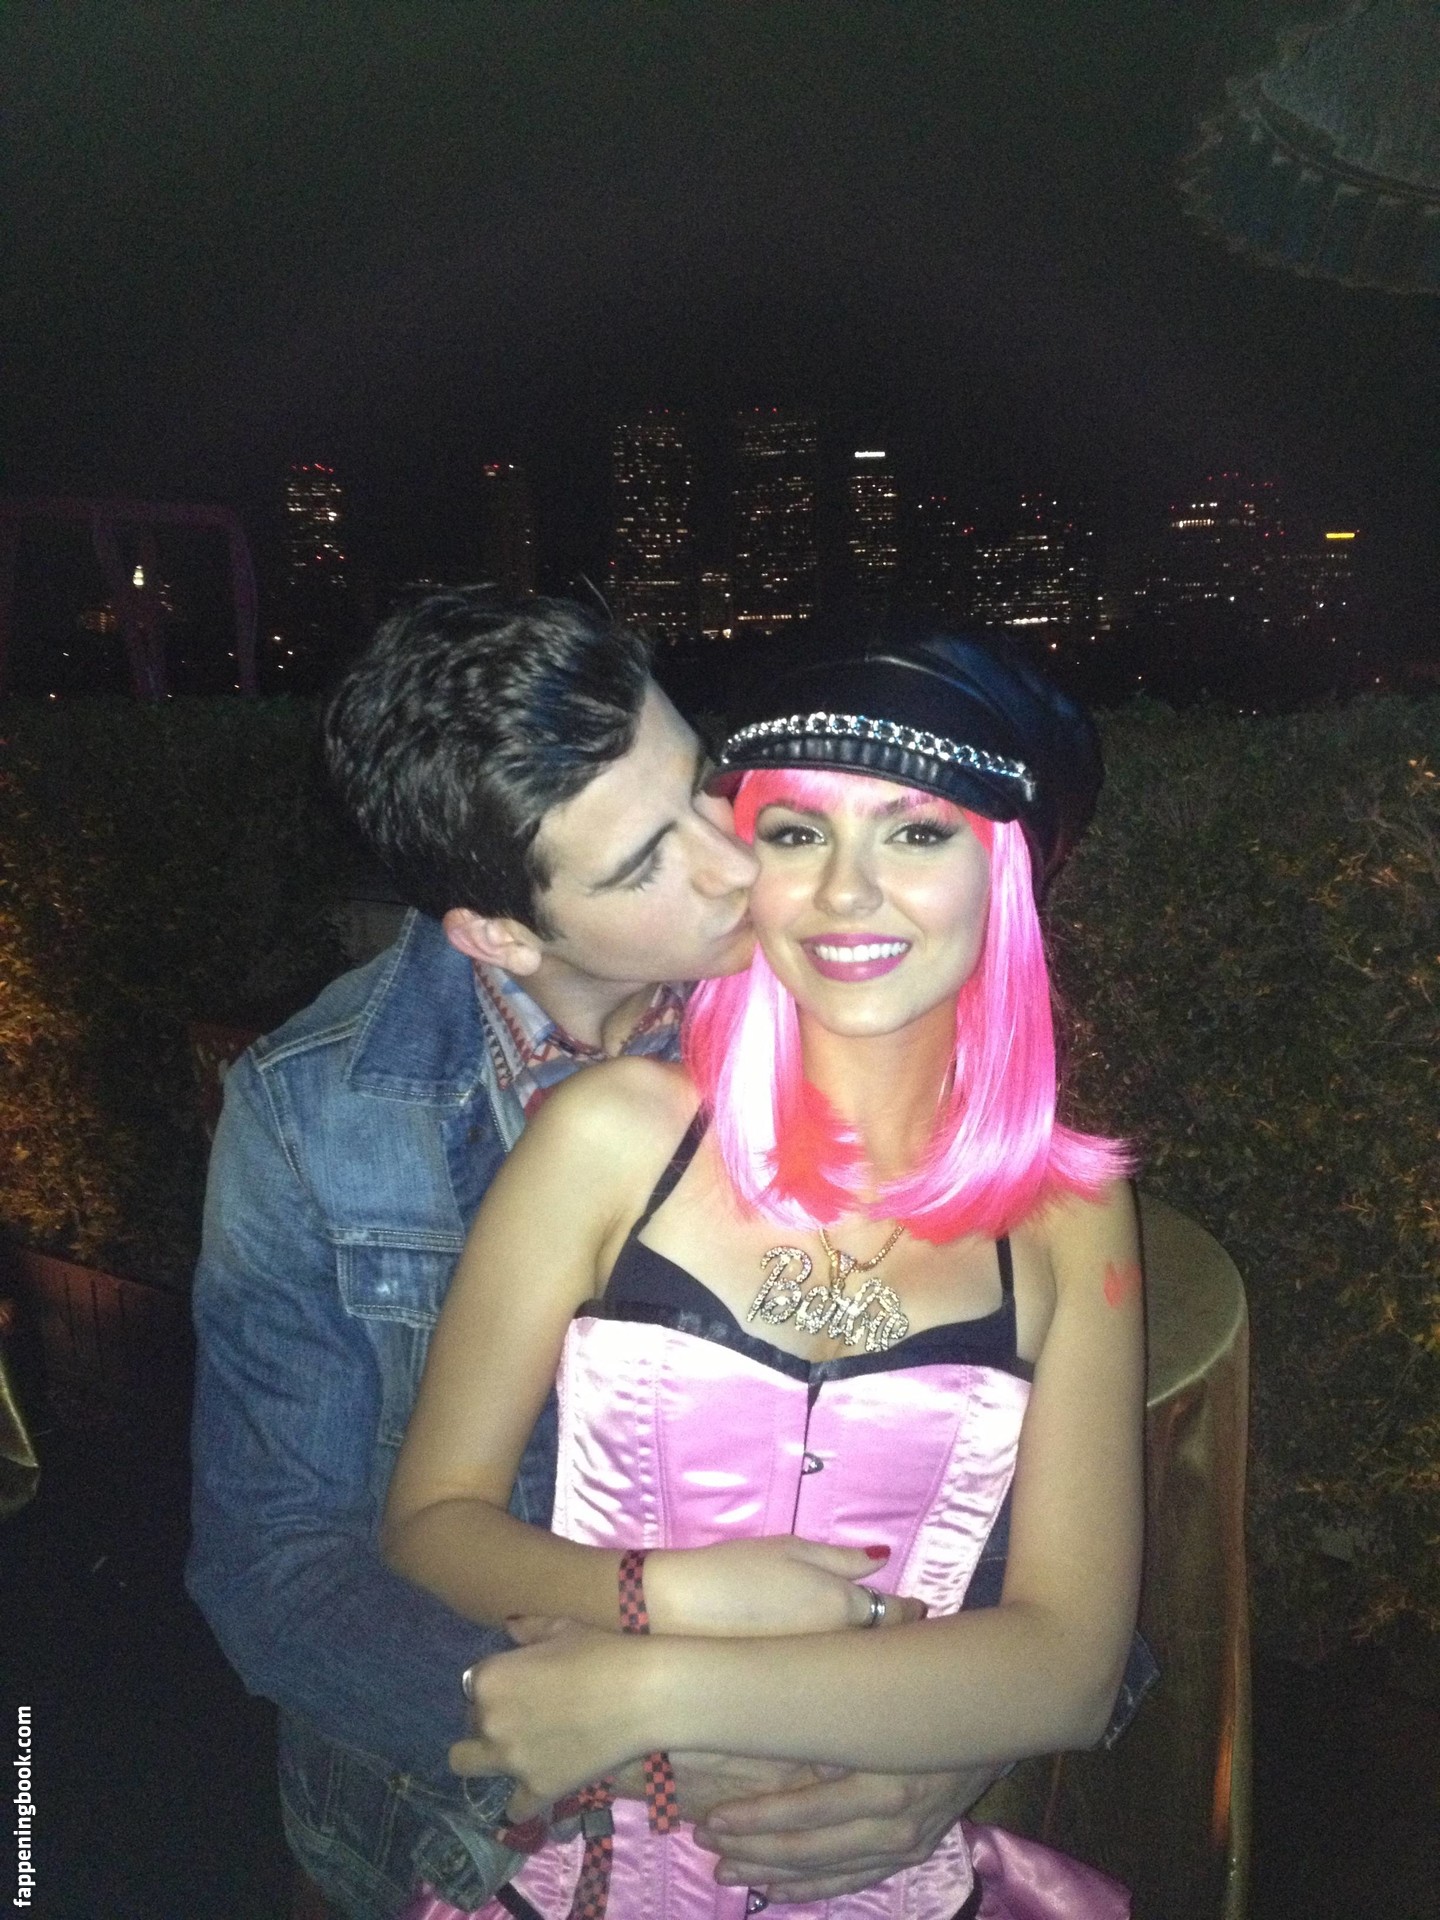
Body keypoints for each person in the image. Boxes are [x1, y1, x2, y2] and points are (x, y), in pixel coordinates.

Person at [187, 593, 1014, 1920]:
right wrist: (599, 1730)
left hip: (828, 1832)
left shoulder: (847, 990)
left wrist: (957, 1737)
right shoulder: (314, 1119)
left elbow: (1011, 1425)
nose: (737, 863)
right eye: (643, 864)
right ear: (500, 933)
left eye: (704, 785)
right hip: (440, 1836)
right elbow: (276, 1565)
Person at [380, 631, 1145, 1919]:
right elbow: (429, 1524)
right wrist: (653, 1598)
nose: (848, 892)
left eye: (917, 834)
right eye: (797, 835)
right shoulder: (609, 1138)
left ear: (1004, 874)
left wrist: (649, 1687)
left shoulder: (1075, 1216)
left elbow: (1071, 1666)